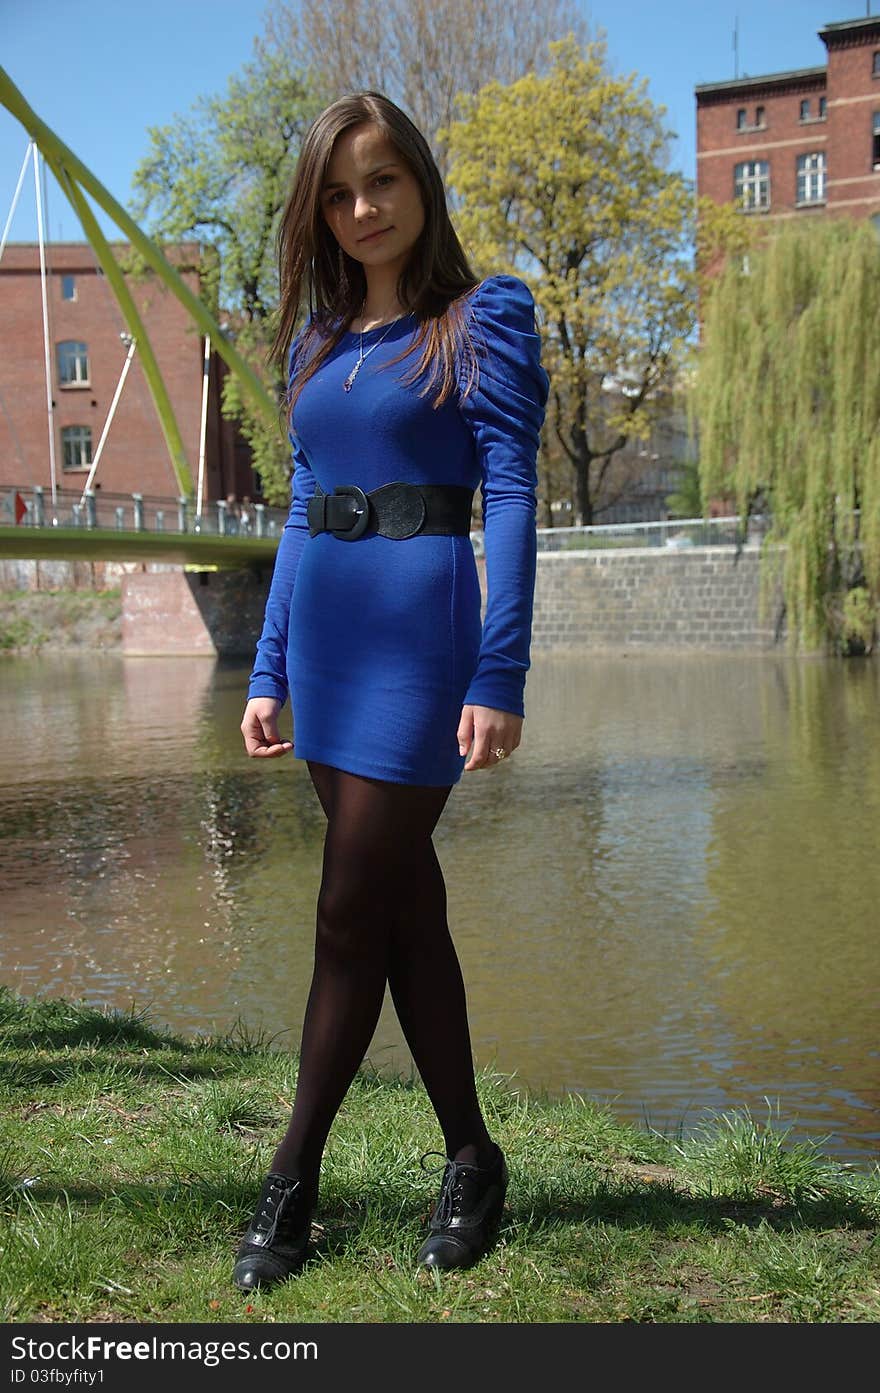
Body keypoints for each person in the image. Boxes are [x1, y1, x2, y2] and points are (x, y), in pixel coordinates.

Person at [235, 90, 549, 1292]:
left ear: (421, 185)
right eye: (338, 191)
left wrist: (501, 665)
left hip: (423, 637)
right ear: (318, 208)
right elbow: (305, 510)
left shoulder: (484, 316)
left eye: (384, 182)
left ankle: (291, 1177)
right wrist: (267, 667)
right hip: (325, 637)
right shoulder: (317, 341)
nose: (362, 209)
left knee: (343, 908)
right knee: (401, 910)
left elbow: (512, 495)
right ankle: (473, 1157)